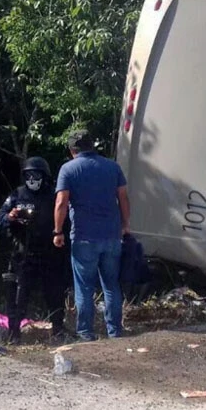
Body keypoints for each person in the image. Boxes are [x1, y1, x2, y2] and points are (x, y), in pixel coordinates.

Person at [53, 129, 130, 341]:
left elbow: (61, 202)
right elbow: (123, 197)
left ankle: (86, 333)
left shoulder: (68, 169)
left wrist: (58, 231)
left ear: (72, 150)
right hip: (112, 235)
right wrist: (125, 224)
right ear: (92, 146)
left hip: (83, 237)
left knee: (84, 287)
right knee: (111, 285)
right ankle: (115, 331)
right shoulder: (112, 167)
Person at [0, 156, 68, 344]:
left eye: (36, 175)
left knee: (55, 293)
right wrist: (11, 217)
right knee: (18, 295)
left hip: (50, 253)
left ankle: (58, 329)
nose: (32, 179)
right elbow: (0, 218)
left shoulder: (53, 196)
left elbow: (66, 219)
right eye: (28, 175)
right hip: (23, 254)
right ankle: (13, 333)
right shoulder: (17, 195)